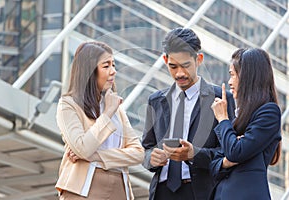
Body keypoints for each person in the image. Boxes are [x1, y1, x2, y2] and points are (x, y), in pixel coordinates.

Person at [141, 27, 236, 200]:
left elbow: (230, 152)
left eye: (186, 65)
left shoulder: (220, 99)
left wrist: (194, 154)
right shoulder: (156, 101)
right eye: (173, 66)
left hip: (201, 193)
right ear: (165, 60)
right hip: (161, 193)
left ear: (198, 59)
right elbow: (146, 149)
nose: (180, 73)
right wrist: (151, 158)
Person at [55, 41, 144, 200]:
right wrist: (108, 113)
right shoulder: (68, 105)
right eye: (106, 66)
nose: (113, 71)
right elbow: (83, 148)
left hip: (120, 190)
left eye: (113, 65)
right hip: (83, 189)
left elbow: (138, 153)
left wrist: (97, 156)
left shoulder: (118, 108)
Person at [210, 48, 282, 200]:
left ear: (248, 77)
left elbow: (235, 152)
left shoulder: (269, 112)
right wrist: (225, 161)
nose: (229, 82)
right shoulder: (238, 116)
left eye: (233, 75)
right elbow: (214, 163)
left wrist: (223, 119)